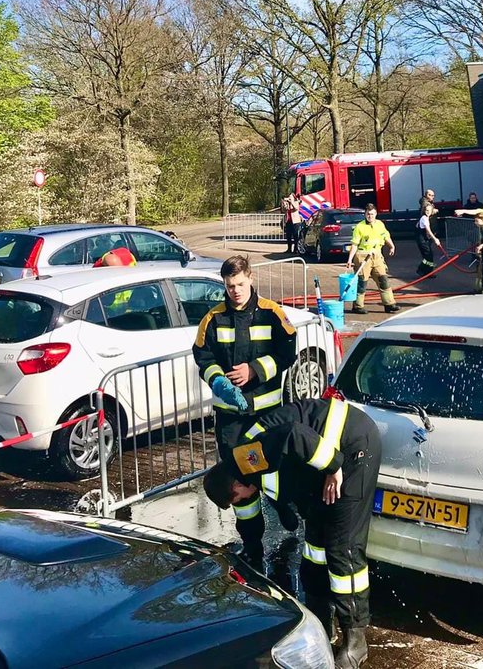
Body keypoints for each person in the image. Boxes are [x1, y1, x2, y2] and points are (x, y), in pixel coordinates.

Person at [204, 397, 381, 668]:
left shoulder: (247, 457)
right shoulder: (246, 470)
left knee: (342, 549)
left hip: (350, 448)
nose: (241, 502)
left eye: (236, 499)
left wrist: (333, 467)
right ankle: (322, 625)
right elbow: (280, 479)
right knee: (314, 551)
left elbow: (294, 433)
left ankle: (355, 641)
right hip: (322, 468)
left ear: (236, 483)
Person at [193, 255, 299, 565]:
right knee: (238, 478)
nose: (235, 291)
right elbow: (203, 355)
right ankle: (253, 546)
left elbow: (287, 353)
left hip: (266, 414)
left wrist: (255, 370)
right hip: (231, 420)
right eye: (229, 286)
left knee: (272, 469)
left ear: (250, 278)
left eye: (239, 284)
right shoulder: (213, 319)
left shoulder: (271, 313)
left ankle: (281, 504)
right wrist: (219, 382)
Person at [346, 203, 399, 315]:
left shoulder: (380, 224)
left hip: (377, 256)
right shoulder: (359, 227)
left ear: (376, 214)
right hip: (362, 256)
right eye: (368, 214)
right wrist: (350, 259)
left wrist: (392, 246)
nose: (370, 216)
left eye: (372, 214)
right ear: (365, 214)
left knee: (383, 279)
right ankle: (358, 306)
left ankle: (389, 304)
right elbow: (354, 244)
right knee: (362, 282)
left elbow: (386, 236)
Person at [415, 201, 439, 273]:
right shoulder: (424, 218)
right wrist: (435, 239)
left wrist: (428, 236)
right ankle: (421, 269)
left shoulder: (426, 218)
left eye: (429, 210)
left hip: (423, 239)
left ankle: (428, 272)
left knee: (429, 255)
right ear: (424, 210)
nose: (428, 212)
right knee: (428, 256)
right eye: (426, 210)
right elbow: (427, 229)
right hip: (421, 240)